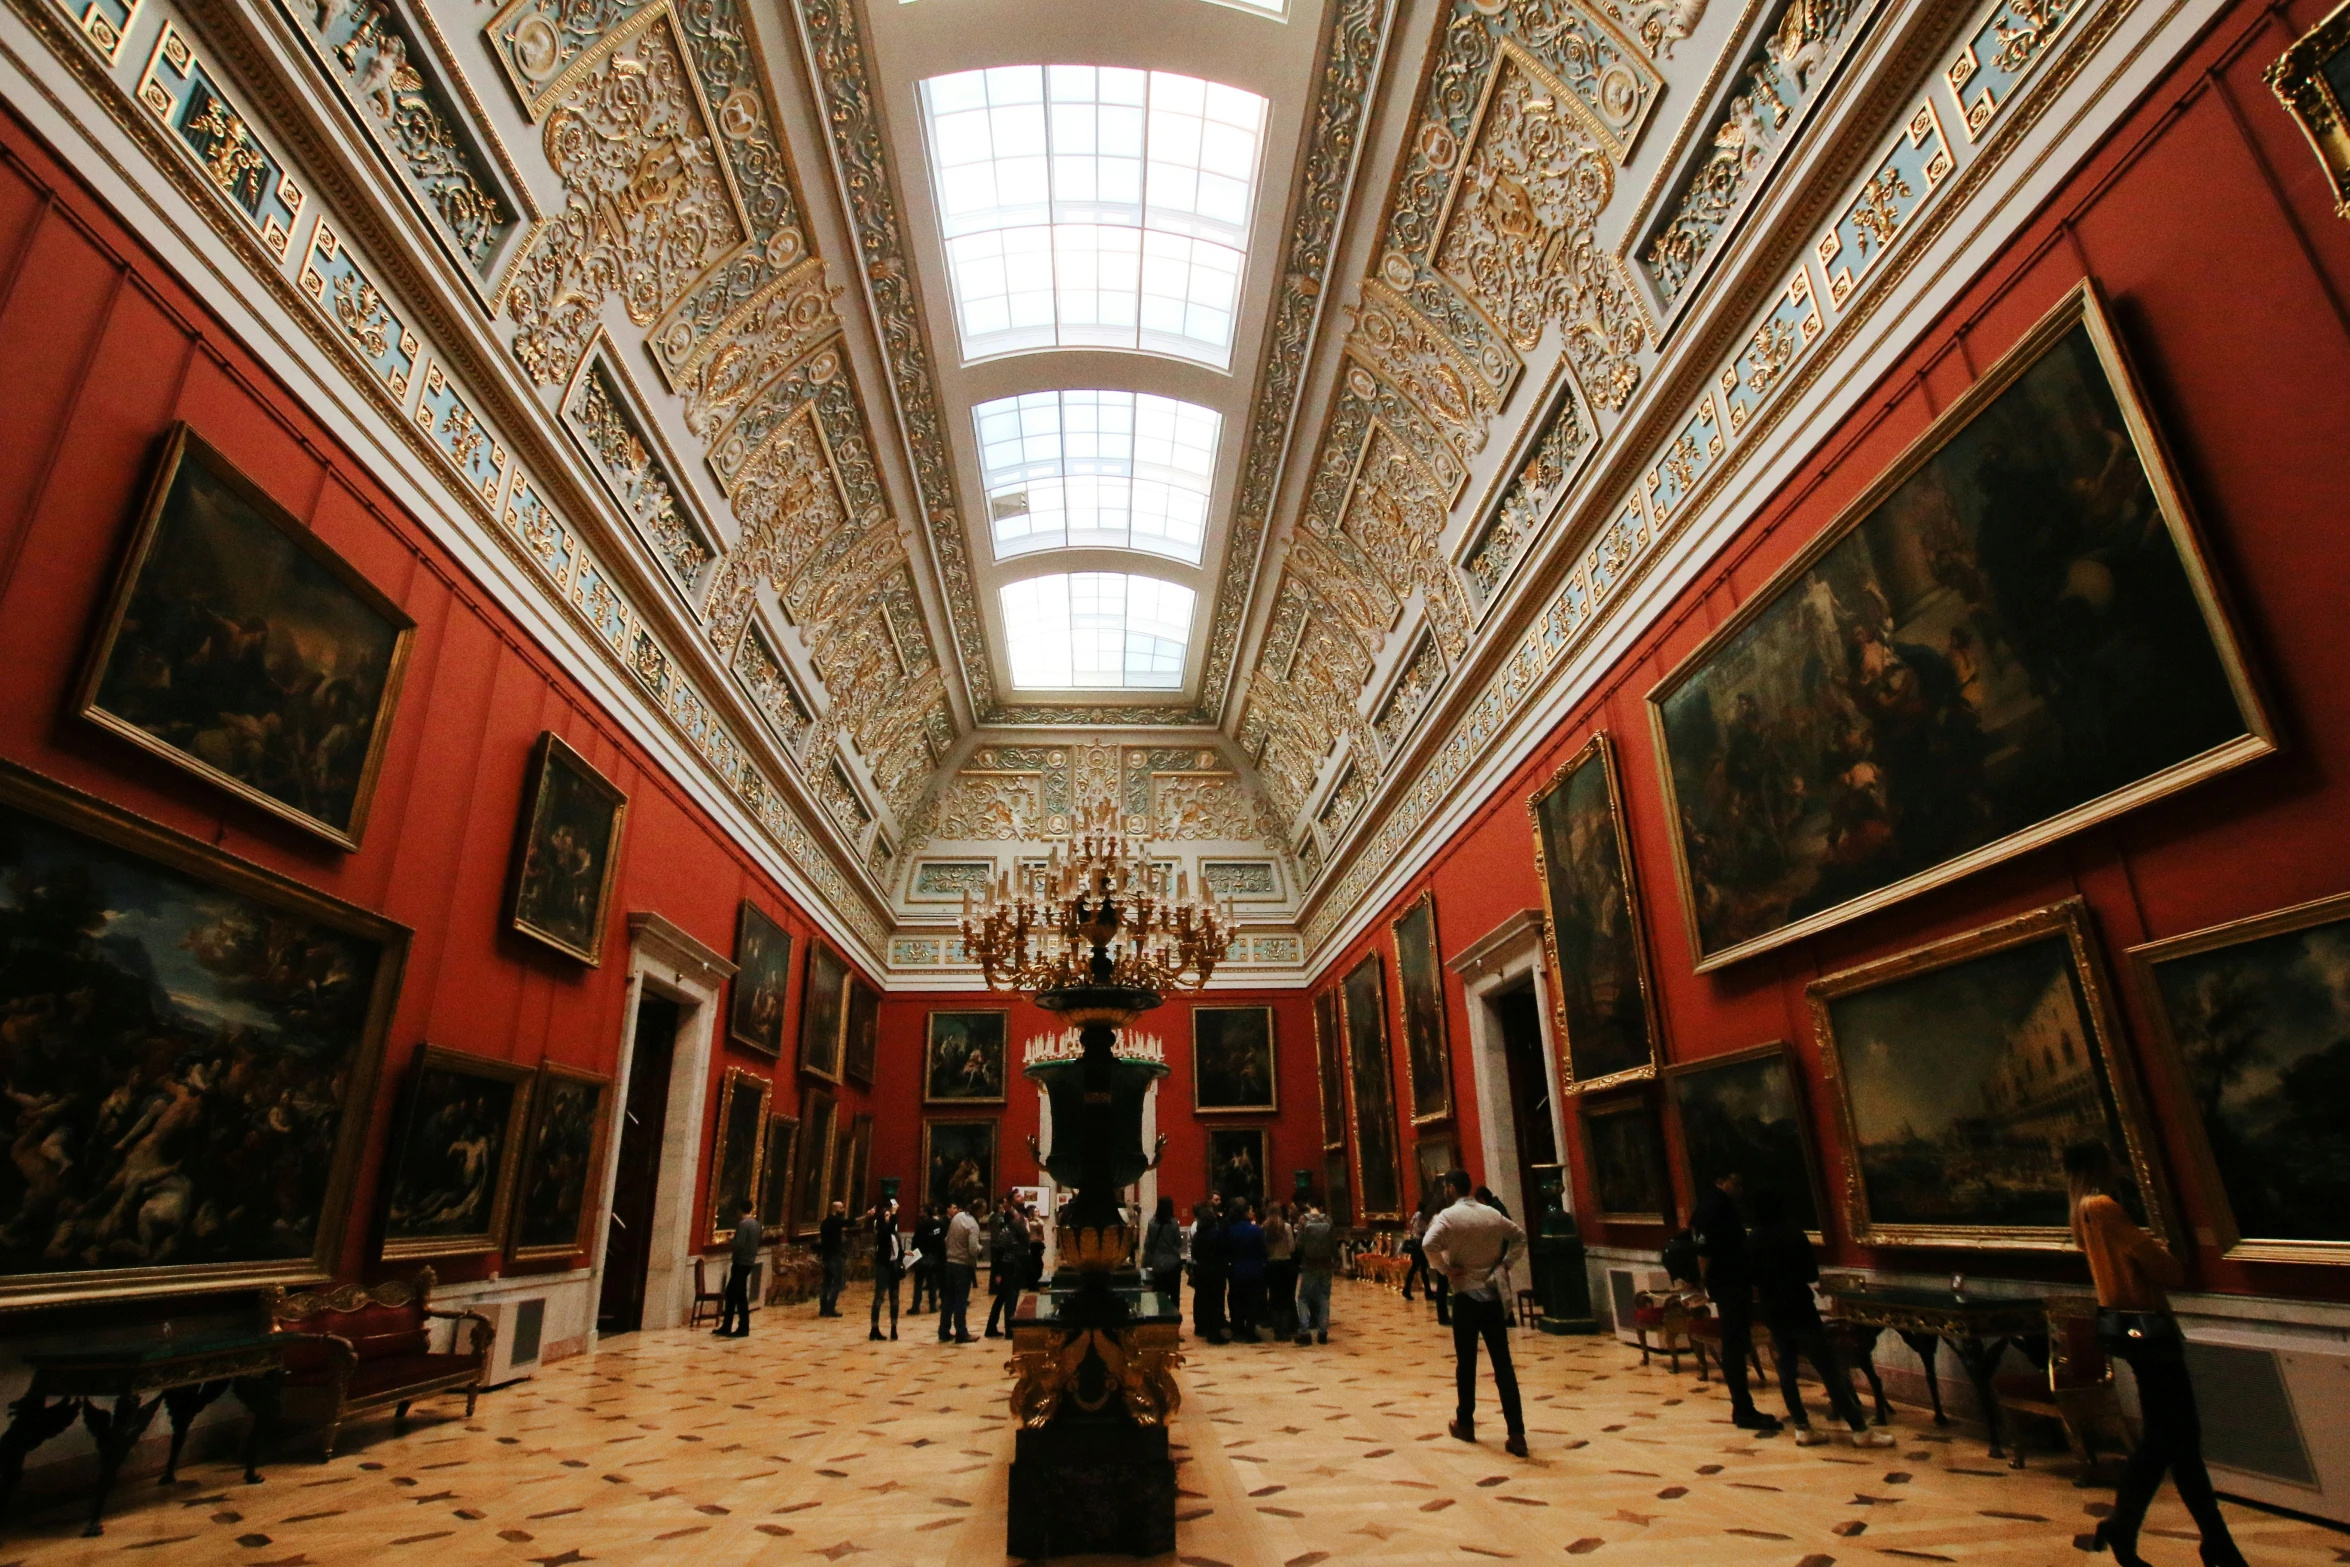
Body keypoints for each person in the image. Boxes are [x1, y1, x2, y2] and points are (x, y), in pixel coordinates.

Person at [2066, 1141, 2246, 1567]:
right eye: (2111, 1157)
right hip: (2149, 1331)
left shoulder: (2082, 1211)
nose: (2118, 1162)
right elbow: (2165, 1267)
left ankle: (2214, 1540)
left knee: (2180, 1442)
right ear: (2099, 1164)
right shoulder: (2105, 1206)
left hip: (2129, 1331)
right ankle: (2124, 1528)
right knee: (2166, 1440)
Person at [1747, 1187, 1888, 1446]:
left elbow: (1752, 1277)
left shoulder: (1753, 1239)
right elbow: (1811, 1274)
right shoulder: (1792, 1233)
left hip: (1773, 1311)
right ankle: (1859, 1429)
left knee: (1786, 1370)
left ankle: (1802, 1427)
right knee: (1828, 1369)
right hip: (1799, 1308)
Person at [1422, 1169, 1527, 1455]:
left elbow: (1427, 1244)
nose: (1445, 1191)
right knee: (1503, 1364)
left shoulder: (1448, 1217)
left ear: (1452, 1188)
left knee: (1466, 1364)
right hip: (1492, 1296)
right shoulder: (1491, 1214)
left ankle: (1465, 1423)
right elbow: (1519, 1237)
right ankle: (1517, 1433)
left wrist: (1445, 1270)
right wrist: (1504, 1264)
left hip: (1466, 1297)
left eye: (1446, 1187)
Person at [1691, 1170, 1778, 1432]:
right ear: (1720, 1180)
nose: (1739, 1189)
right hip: (1729, 1282)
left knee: (1736, 1343)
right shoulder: (1715, 1209)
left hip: (1727, 1281)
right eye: (1735, 1183)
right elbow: (1705, 1249)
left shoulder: (1713, 1205)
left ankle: (1743, 1407)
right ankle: (1743, 1408)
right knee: (1735, 1343)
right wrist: (1706, 1282)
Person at [713, 1196, 759, 1339]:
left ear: (740, 1209)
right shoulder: (756, 1224)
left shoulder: (743, 1224)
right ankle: (728, 1325)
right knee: (733, 1294)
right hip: (749, 1262)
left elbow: (739, 1244)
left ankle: (742, 1327)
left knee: (737, 1295)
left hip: (740, 1262)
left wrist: (730, 1241)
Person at [1294, 1199, 1336, 1344]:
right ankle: (1322, 1333)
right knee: (1324, 1298)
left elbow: (1299, 1244)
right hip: (1326, 1264)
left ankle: (1305, 1332)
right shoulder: (1328, 1220)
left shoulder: (1303, 1220)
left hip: (1309, 1264)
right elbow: (1333, 1244)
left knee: (1303, 1298)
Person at [940, 1196, 981, 1344]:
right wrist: (980, 1249)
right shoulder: (973, 1225)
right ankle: (961, 1332)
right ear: (980, 1211)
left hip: (950, 1262)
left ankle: (943, 1331)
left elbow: (946, 1240)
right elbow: (972, 1249)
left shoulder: (957, 1218)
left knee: (948, 1299)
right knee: (961, 1300)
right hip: (963, 1265)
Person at [1188, 1199, 1229, 1345]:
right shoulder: (1217, 1234)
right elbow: (1224, 1251)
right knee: (1216, 1302)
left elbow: (1195, 1254)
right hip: (1216, 1271)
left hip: (1202, 1271)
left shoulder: (1198, 1236)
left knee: (1202, 1299)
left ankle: (1201, 1327)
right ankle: (1214, 1332)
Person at [985, 1194, 1027, 1337]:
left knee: (1003, 1297)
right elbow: (999, 1254)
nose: (1018, 1218)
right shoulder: (1007, 1232)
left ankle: (991, 1327)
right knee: (1009, 1298)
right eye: (1016, 1216)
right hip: (1007, 1267)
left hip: (1010, 1266)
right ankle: (1009, 1330)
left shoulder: (1011, 1230)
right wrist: (998, 1273)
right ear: (1012, 1219)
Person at [1226, 1200, 1266, 1342]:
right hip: (1254, 1269)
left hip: (1236, 1269)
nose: (1252, 1212)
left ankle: (1237, 1328)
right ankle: (1250, 1330)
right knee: (1252, 1302)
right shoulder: (1255, 1230)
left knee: (1237, 1300)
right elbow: (1262, 1249)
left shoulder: (1231, 1229)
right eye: (1250, 1210)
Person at [868, 1196, 904, 1342]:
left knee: (894, 1298)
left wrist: (902, 1255)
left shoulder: (893, 1233)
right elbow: (888, 1229)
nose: (889, 1217)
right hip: (883, 1266)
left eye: (890, 1215)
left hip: (893, 1265)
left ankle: (894, 1328)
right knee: (879, 1297)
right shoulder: (882, 1231)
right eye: (887, 1215)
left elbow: (896, 1247)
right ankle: (874, 1328)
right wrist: (894, 1213)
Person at [1263, 1202, 1298, 1340]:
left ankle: (1276, 1330)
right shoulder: (1287, 1227)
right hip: (1286, 1264)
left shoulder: (1264, 1227)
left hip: (1271, 1265)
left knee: (1274, 1297)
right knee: (1286, 1297)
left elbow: (1264, 1248)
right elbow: (1292, 1247)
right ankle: (1285, 1329)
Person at [1143, 1196, 1184, 1307]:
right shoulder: (1174, 1223)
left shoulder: (1151, 1223)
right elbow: (1179, 1243)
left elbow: (1148, 1244)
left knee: (1161, 1296)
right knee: (1175, 1295)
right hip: (1173, 1263)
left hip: (1158, 1264)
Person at [908, 1203, 944, 1314]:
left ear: (926, 1212)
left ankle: (915, 1307)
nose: (920, 1213)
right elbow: (941, 1240)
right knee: (932, 1283)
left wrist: (913, 1256)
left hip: (922, 1256)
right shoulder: (938, 1224)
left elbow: (915, 1242)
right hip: (933, 1256)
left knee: (918, 1283)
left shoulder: (921, 1225)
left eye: (921, 1211)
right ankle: (932, 1306)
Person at [817, 1200, 850, 1318]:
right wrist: (867, 1216)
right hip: (835, 1255)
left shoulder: (825, 1222)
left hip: (826, 1255)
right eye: (841, 1208)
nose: (843, 1210)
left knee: (826, 1282)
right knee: (837, 1282)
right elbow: (851, 1222)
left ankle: (823, 1308)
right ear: (836, 1209)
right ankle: (830, 1308)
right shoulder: (836, 1221)